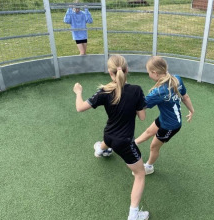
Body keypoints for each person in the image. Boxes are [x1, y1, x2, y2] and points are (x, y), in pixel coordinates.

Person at [73, 55, 149, 220]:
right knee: (140, 174)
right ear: (127, 70)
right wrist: (138, 104)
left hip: (109, 134)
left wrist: (78, 92)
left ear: (110, 72)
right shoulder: (136, 90)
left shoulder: (104, 91)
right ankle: (134, 215)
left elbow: (79, 108)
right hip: (125, 142)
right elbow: (142, 117)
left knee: (107, 141)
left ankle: (100, 151)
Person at [135, 56, 195, 175]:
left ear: (155, 73)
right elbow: (185, 97)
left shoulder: (158, 92)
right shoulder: (176, 79)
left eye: (148, 73)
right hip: (165, 117)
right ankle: (133, 143)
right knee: (148, 132)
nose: (148, 75)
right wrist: (192, 110)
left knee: (154, 147)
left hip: (171, 126)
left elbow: (140, 107)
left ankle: (149, 166)